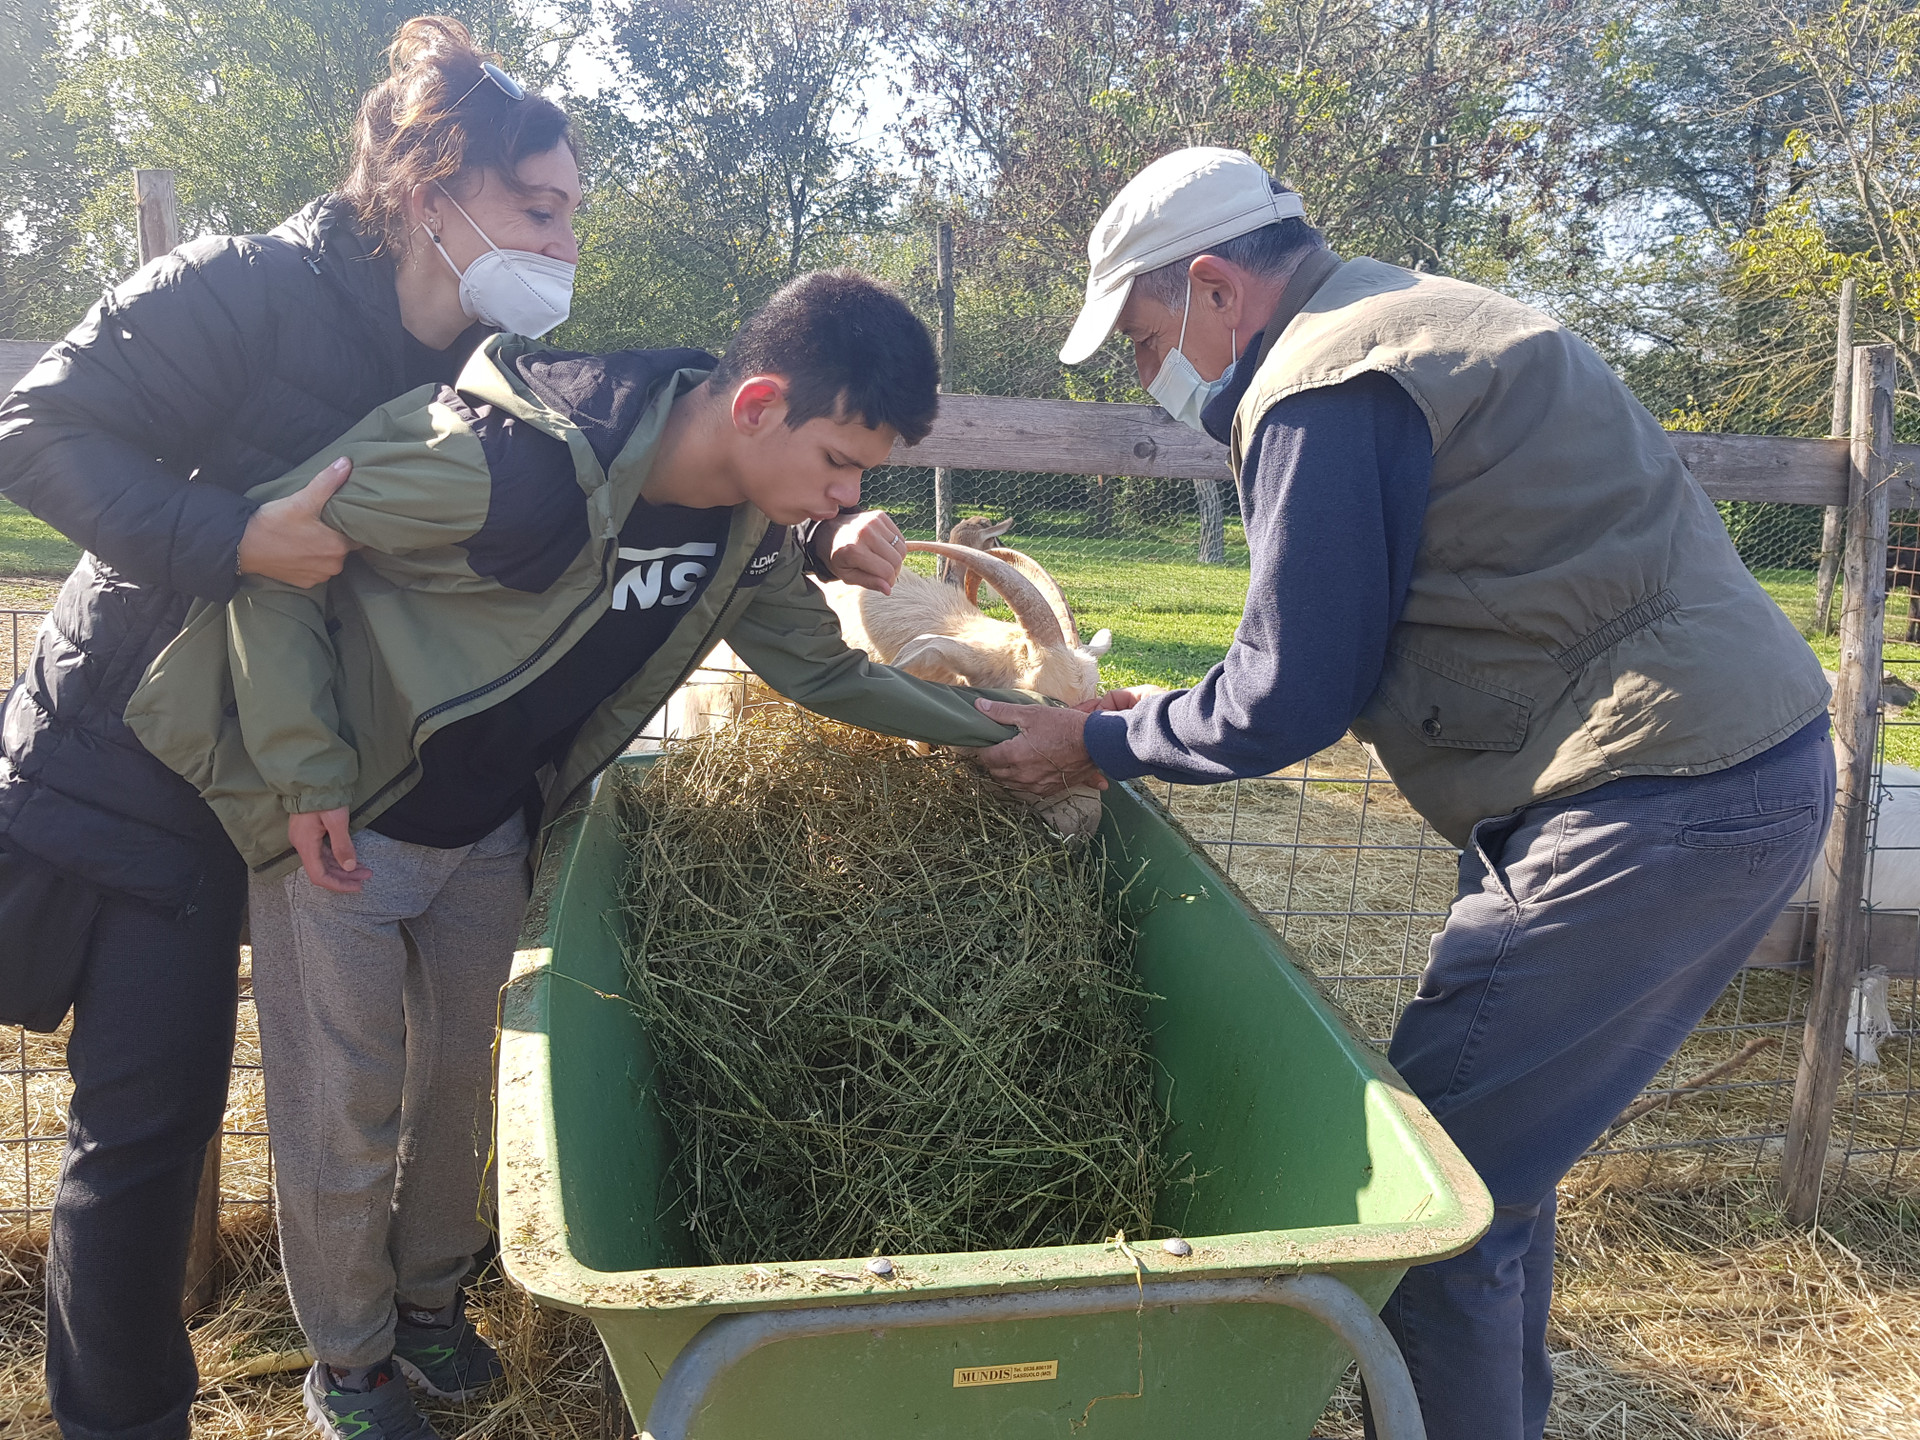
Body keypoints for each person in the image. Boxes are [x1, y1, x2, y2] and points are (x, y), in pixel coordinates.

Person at [0, 17, 898, 1439]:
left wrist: (817, 540)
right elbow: (33, 429)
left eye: (572, 213)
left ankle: (399, 1317)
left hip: (344, 777)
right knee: (149, 1130)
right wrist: (235, 535)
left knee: (385, 1087)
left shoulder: (496, 361)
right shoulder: (244, 290)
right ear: (435, 192)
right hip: (146, 757)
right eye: (540, 206)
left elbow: (622, 501)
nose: (565, 239)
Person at [974, 146, 1834, 1440]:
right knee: (1494, 1176)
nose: (1152, 380)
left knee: (1432, 1213)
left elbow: (1289, 699)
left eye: (1146, 339)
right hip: (1722, 764)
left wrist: (1091, 750)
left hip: (1651, 794)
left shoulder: (1327, 386)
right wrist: (1141, 716)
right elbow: (1325, 639)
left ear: (1213, 287)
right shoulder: (1410, 318)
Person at [124, 268, 1035, 1438]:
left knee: (461, 1086)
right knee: (343, 1106)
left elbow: (825, 670)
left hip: (495, 825)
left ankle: (428, 1308)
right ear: (758, 405)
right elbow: (274, 553)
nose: (849, 499)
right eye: (842, 462)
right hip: (349, 820)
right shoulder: (499, 457)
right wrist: (302, 770)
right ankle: (348, 1366)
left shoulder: (748, 535)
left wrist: (1009, 728)